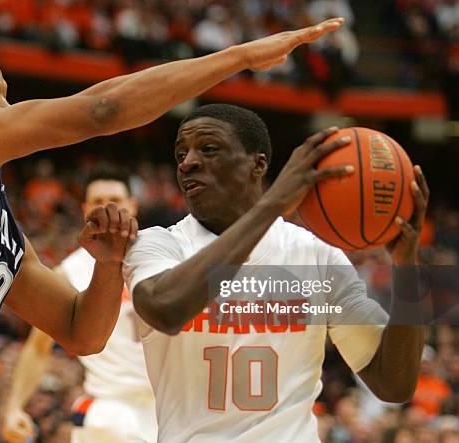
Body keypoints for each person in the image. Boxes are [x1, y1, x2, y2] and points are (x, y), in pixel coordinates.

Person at [0, 18, 344, 440]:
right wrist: (238, 58)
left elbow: (80, 332)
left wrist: (108, 265)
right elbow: (102, 109)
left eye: (6, 96)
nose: (3, 109)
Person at [122, 103, 429, 443]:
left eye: (208, 149)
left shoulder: (316, 255)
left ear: (259, 164)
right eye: (181, 153)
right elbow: (166, 310)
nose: (188, 162)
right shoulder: (158, 246)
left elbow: (394, 384)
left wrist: (406, 267)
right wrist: (271, 206)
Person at [1, 163, 156, 443]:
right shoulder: (70, 272)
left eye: (116, 201)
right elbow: (38, 348)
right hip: (110, 409)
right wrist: (14, 407)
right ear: (86, 210)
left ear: (133, 205)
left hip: (169, 405)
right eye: (98, 202)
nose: (108, 208)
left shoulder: (163, 258)